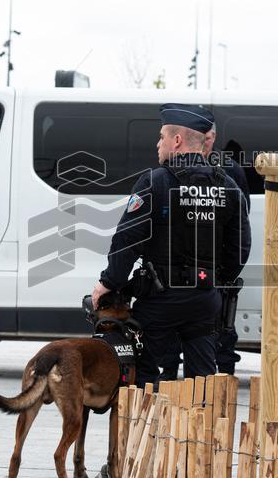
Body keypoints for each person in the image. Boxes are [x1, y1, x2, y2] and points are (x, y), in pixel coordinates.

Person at [91, 104, 251, 386]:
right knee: (201, 381)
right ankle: (199, 415)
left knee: (143, 376)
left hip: (160, 299)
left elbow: (127, 240)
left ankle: (145, 415)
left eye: (161, 137)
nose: (158, 144)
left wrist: (109, 282)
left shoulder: (154, 182)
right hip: (205, 299)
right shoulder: (228, 186)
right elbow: (240, 247)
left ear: (177, 140)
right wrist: (216, 280)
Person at [158, 123, 251, 378]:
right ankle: (168, 375)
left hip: (214, 270)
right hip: (178, 269)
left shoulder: (229, 170)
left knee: (220, 331)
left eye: (208, 138)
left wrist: (224, 273)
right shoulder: (169, 171)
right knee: (173, 333)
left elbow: (239, 222)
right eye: (202, 137)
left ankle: (225, 376)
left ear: (213, 138)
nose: (205, 142)